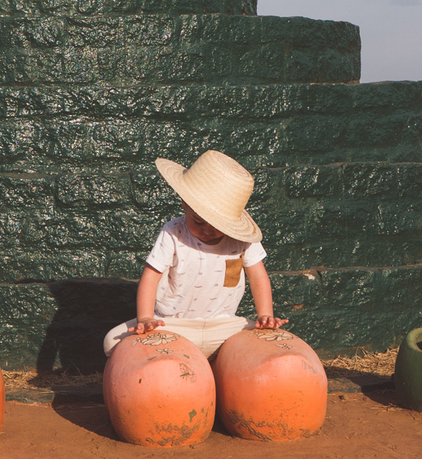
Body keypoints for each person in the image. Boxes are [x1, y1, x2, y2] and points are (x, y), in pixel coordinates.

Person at [102, 149, 288, 359]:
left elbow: (258, 276)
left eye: (218, 226)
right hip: (173, 325)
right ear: (184, 203)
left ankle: (219, 364)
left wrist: (265, 315)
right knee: (112, 341)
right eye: (199, 221)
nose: (207, 230)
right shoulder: (173, 232)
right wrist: (145, 318)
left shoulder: (242, 238)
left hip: (224, 326)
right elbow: (151, 277)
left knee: (271, 342)